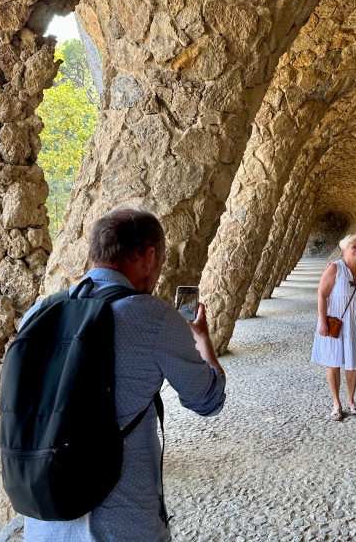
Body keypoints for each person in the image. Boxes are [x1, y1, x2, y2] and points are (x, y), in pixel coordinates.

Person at [24, 207, 226, 542]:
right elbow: (208, 400)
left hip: (43, 515)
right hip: (119, 522)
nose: (159, 272)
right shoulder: (154, 317)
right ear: (148, 255)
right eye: (160, 262)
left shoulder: (40, 311)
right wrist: (202, 339)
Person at [312, 233, 356, 421]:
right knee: (333, 362)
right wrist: (322, 321)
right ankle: (336, 404)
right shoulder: (335, 268)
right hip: (335, 322)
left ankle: (351, 401)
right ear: (344, 249)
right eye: (354, 247)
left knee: (353, 364)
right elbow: (321, 294)